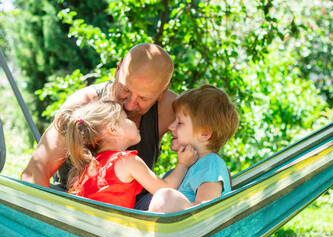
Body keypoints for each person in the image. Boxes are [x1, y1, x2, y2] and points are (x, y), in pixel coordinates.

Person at [21, 43, 177, 208]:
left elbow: (205, 139)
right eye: (125, 89)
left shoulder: (169, 108)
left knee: (172, 198)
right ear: (118, 69)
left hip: (135, 211)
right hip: (74, 206)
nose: (130, 105)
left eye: (144, 99)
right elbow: (35, 172)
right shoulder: (84, 103)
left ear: (162, 92)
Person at [54, 99, 197, 208]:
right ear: (114, 129)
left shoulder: (85, 169)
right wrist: (183, 164)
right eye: (127, 118)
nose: (133, 121)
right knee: (167, 201)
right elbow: (164, 189)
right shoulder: (127, 161)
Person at [148, 84, 239, 213]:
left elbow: (207, 211)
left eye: (179, 122)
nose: (170, 127)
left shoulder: (210, 163)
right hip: (174, 229)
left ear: (204, 134)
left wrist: (167, 201)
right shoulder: (188, 166)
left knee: (164, 197)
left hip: (195, 230)